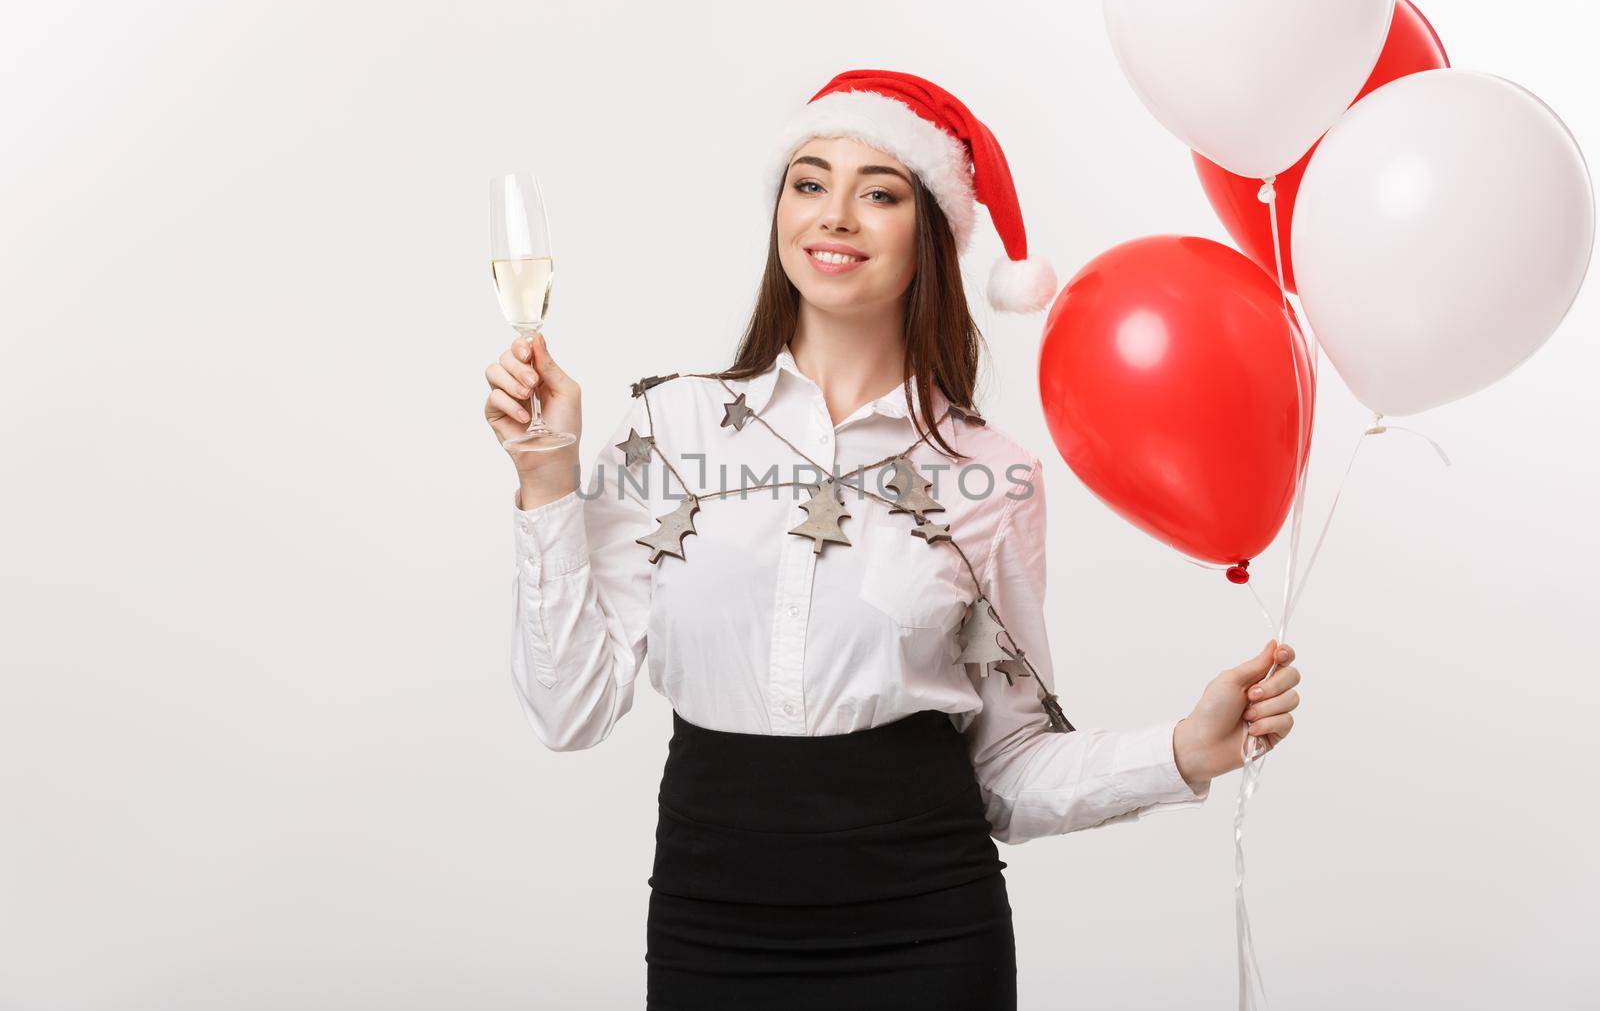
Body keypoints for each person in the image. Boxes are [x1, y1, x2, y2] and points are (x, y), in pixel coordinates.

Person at [482, 69, 1302, 1010]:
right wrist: (544, 480)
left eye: (879, 192)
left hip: (928, 934)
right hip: (713, 929)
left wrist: (1184, 749)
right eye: (809, 182)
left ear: (932, 237)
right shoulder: (672, 430)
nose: (835, 215)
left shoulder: (989, 476)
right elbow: (568, 709)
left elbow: (1006, 772)